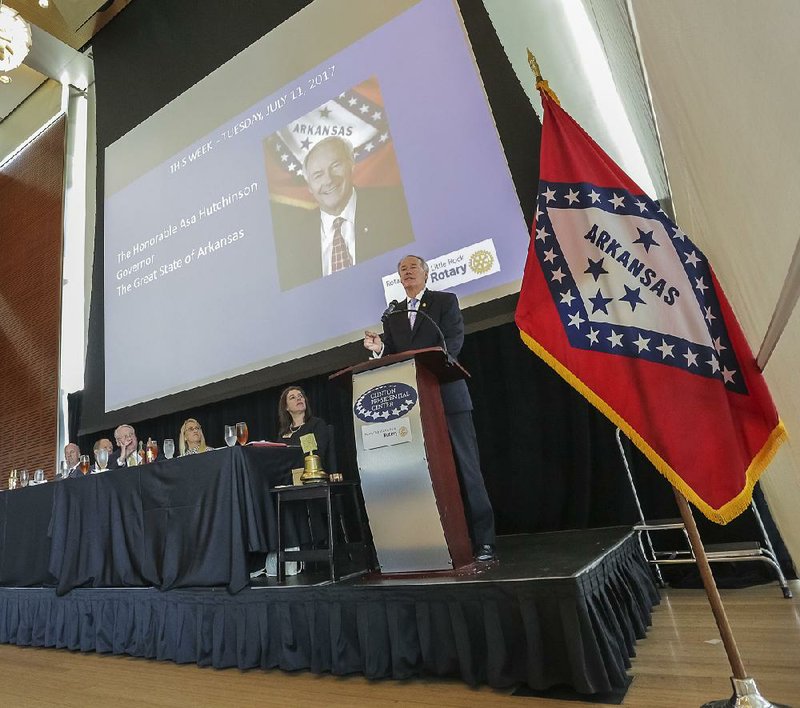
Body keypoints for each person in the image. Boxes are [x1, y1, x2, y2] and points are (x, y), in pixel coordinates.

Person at [363, 254, 497, 562]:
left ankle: (484, 540)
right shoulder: (393, 314)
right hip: (413, 404)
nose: (407, 272)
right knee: (423, 472)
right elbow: (395, 353)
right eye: (402, 270)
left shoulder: (444, 302)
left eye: (412, 267)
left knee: (467, 469)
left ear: (426, 273)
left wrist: (431, 363)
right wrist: (379, 348)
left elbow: (453, 342)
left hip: (448, 394)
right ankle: (435, 541)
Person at [270, 136, 414, 290]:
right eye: (318, 175)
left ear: (351, 165)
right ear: (310, 187)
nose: (329, 180)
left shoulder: (393, 206)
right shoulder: (293, 240)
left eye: (335, 165)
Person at [277, 385, 330, 466]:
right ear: (286, 407)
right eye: (292, 397)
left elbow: (318, 454)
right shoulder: (283, 434)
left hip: (312, 472)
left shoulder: (316, 424)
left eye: (300, 396)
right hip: (288, 476)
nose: (298, 399)